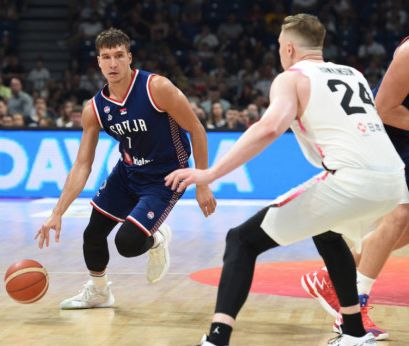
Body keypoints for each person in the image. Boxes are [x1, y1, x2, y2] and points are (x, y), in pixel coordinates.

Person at [165, 14, 405, 346]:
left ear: (289, 47)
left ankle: (216, 339)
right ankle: (353, 330)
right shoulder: (354, 74)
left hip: (353, 181)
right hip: (395, 183)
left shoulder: (291, 77)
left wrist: (209, 173)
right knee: (328, 230)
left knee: (241, 240)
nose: (280, 52)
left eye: (279, 46)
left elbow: (268, 128)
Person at [34, 28, 216, 310]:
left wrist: (203, 181)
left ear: (129, 57)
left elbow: (197, 129)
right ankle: (99, 291)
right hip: (127, 173)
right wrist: (57, 212)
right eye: (106, 57)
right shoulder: (94, 108)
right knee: (92, 234)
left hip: (166, 176)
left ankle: (156, 239)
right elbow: (83, 164)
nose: (113, 63)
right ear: (98, 62)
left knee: (128, 244)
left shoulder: (157, 88)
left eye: (119, 56)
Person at [301, 35, 409, 341]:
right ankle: (353, 309)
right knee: (399, 216)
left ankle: (330, 278)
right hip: (383, 133)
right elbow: (384, 108)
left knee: (407, 226)